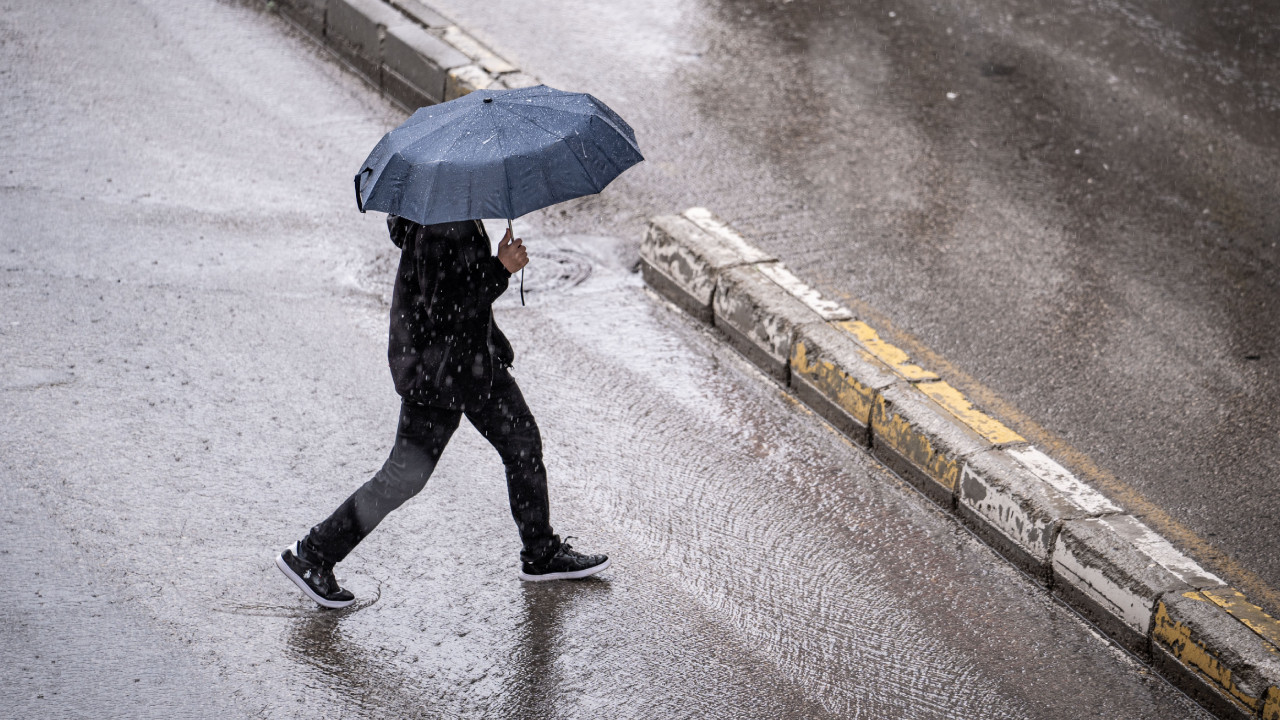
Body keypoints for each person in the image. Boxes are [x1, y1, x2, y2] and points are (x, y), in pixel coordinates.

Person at [276, 216, 608, 609]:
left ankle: (540, 553)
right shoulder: (440, 225)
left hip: (473, 363)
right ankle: (313, 554)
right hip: (437, 373)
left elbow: (458, 293)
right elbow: (447, 310)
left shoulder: (454, 214)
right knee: (403, 477)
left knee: (522, 443)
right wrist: (500, 268)